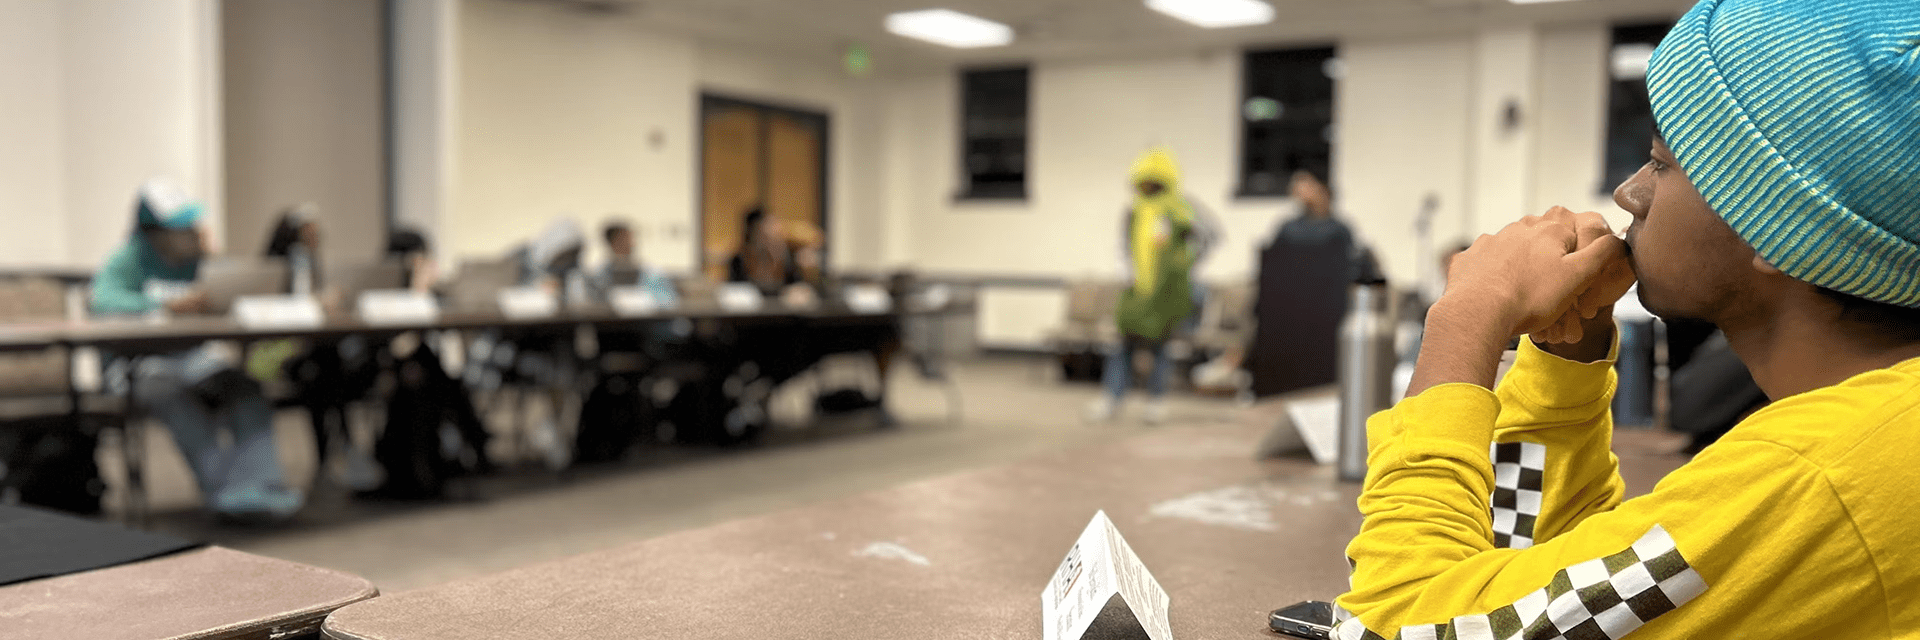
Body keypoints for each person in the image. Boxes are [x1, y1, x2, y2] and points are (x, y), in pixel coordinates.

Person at [1333, 1, 1920, 637]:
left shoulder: (1818, 476)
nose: (1629, 193)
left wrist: (1465, 321)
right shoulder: (1876, 434)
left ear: (1782, 227)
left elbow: (1398, 624)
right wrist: (1568, 364)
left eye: (1663, 164)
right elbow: (1570, 602)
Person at [91, 179, 304, 520]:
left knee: (242, 386)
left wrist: (212, 262)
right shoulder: (127, 259)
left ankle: (264, 485)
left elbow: (229, 290)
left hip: (191, 360)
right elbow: (102, 302)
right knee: (169, 391)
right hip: (135, 367)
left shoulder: (196, 260)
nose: (190, 232)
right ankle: (225, 491)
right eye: (180, 228)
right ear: (153, 233)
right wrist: (163, 306)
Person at [1087, 148, 1218, 424]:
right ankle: (1112, 399)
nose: (1147, 187)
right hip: (1137, 289)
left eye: (1153, 182)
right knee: (1122, 345)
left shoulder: (1183, 208)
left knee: (1160, 347)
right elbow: (1123, 247)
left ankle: (1156, 402)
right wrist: (1127, 273)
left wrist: (1188, 262)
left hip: (1169, 291)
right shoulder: (1134, 211)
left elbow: (1211, 235)